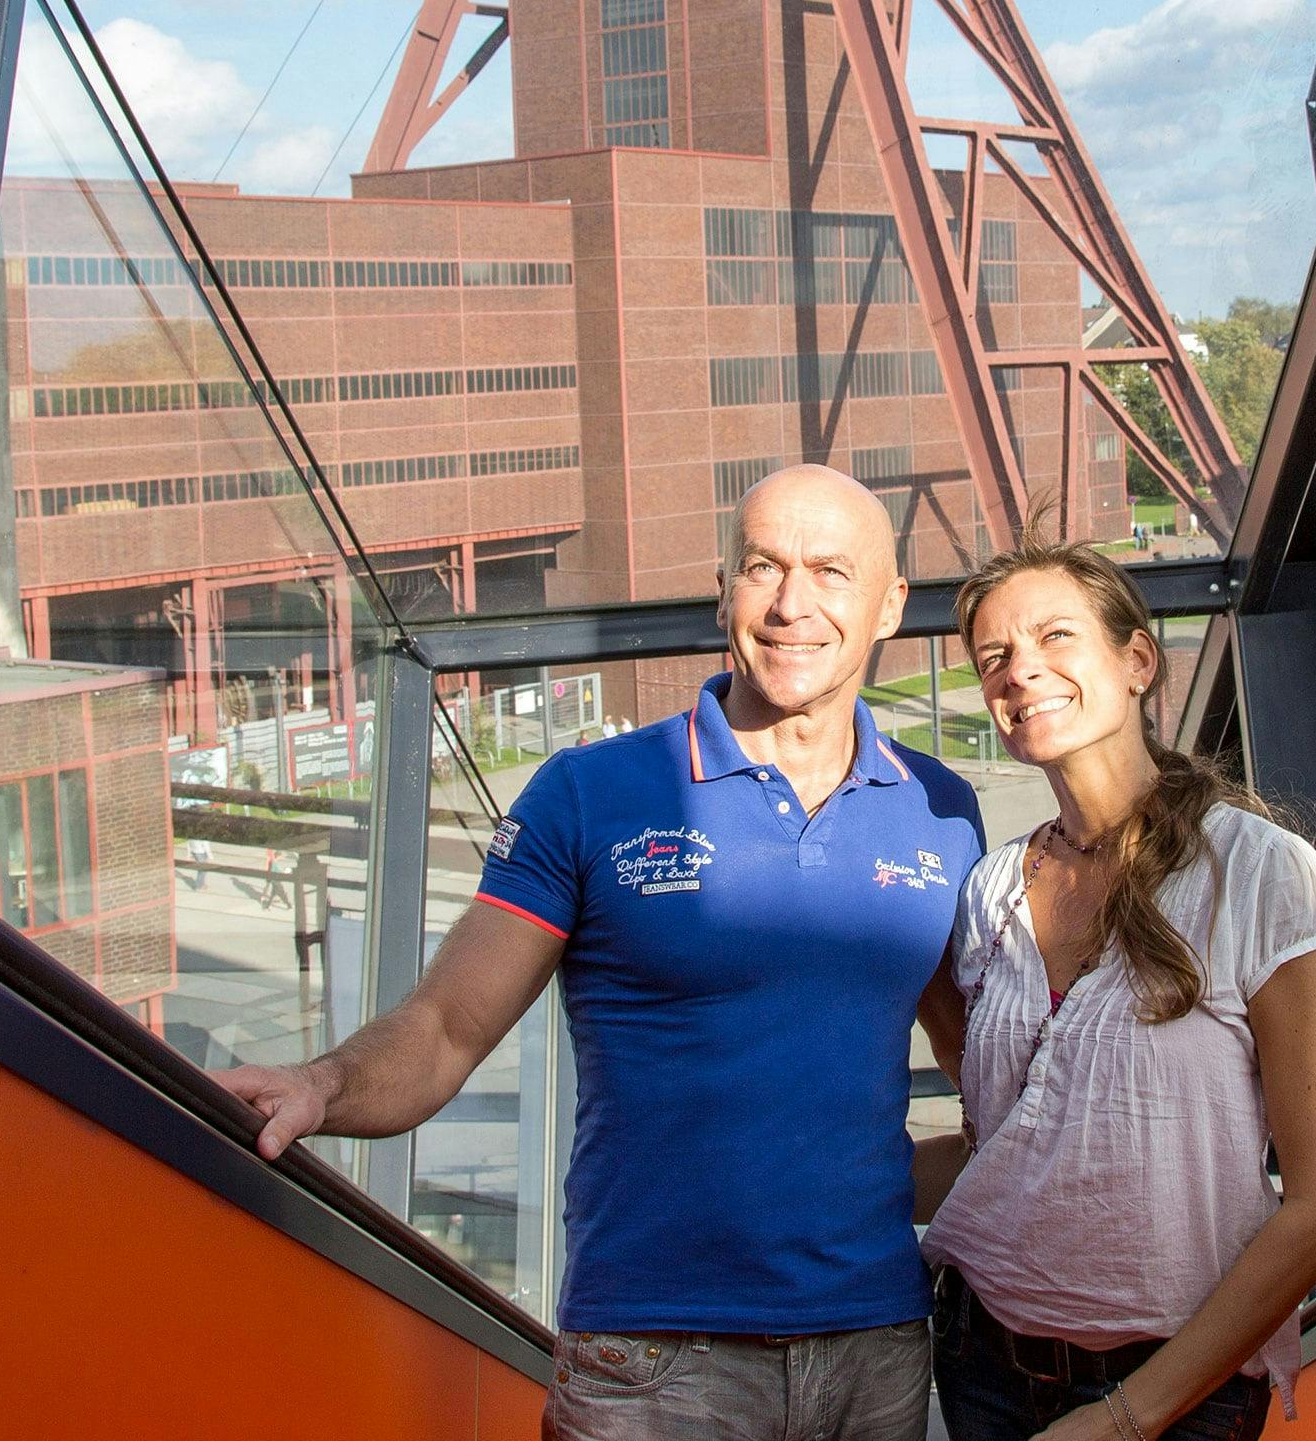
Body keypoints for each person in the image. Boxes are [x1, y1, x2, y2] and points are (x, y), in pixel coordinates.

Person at [220, 465, 982, 1441]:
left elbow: (987, 1078)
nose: (794, 603)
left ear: (888, 606)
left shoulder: (941, 811)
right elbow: (447, 1026)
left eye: (831, 572)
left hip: (877, 1348)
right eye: (764, 567)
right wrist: (322, 1083)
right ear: (723, 589)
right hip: (654, 1358)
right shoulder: (591, 794)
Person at [918, 543, 1316, 1441]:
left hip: (1171, 1398)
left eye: (1054, 637)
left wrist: (1130, 1417)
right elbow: (1002, 1146)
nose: (1021, 672)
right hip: (978, 1363)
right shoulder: (991, 891)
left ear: (1137, 661)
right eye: (994, 658)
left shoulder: (1260, 873)